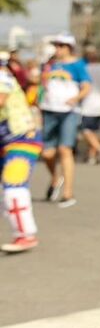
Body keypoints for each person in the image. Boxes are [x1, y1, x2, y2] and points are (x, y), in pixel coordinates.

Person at [39, 33, 90, 208]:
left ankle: (68, 193)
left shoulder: (78, 65)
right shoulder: (51, 65)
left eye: (61, 46)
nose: (58, 49)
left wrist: (76, 98)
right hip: (49, 111)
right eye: (57, 46)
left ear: (69, 47)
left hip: (69, 112)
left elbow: (87, 86)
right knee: (47, 153)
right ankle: (55, 178)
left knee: (65, 149)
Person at [0, 68, 42, 252]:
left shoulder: (1, 76)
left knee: (13, 185)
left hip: (22, 139)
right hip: (6, 142)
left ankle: (25, 235)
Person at [79, 48, 100, 164]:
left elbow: (80, 87)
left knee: (86, 130)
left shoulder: (84, 69)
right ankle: (92, 156)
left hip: (87, 105)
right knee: (95, 132)